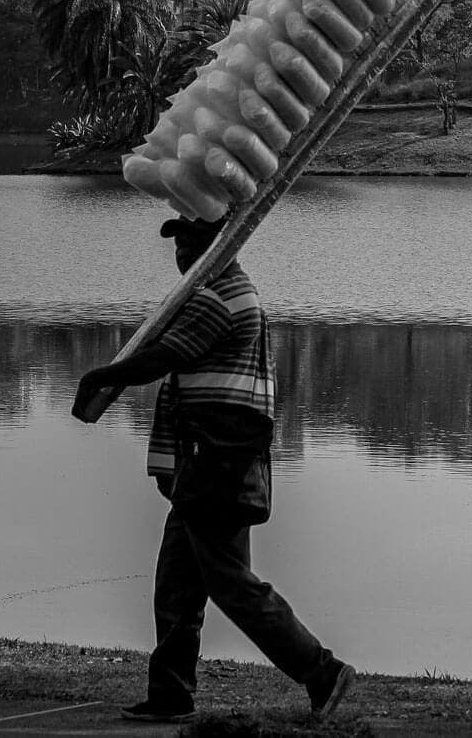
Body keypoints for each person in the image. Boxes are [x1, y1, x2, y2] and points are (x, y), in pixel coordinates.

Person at [72, 215, 354, 724]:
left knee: (230, 583)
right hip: (214, 461)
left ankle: (322, 672)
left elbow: (161, 358)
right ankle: (171, 696)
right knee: (177, 585)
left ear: (216, 244)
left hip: (218, 464)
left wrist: (101, 375)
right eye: (178, 242)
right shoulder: (225, 289)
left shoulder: (216, 297)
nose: (180, 251)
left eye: (189, 241)